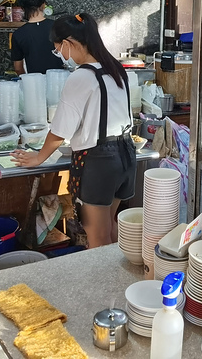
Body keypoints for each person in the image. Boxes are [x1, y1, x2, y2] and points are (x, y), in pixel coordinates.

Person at [11, 13, 135, 249]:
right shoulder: (115, 68)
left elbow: (59, 131)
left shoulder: (81, 76)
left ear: (67, 43)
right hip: (125, 153)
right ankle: (119, 281)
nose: (60, 55)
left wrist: (38, 158)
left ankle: (104, 285)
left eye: (58, 49)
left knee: (96, 234)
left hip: (100, 161)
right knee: (109, 225)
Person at [10, 0, 63, 75]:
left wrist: (28, 80)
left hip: (35, 84)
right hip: (59, 81)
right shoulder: (58, 26)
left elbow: (18, 68)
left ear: (22, 8)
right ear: (43, 5)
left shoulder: (18, 34)